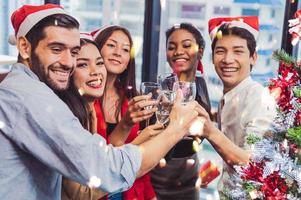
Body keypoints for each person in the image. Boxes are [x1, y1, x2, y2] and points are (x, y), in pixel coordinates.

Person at [0, 4, 202, 200]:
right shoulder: (31, 98)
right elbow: (105, 170)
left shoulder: (30, 90)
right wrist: (176, 128)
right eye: (56, 48)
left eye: (73, 52)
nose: (67, 62)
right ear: (24, 47)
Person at [59, 34, 162, 200]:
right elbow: (85, 189)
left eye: (126, 49)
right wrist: (140, 143)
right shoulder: (69, 116)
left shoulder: (123, 99)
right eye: (83, 64)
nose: (118, 53)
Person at [196, 16, 276, 196]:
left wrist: (210, 131)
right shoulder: (230, 96)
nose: (227, 59)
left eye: (238, 51)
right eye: (220, 51)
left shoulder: (258, 98)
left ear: (253, 57)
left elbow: (252, 163)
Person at [92, 26, 157, 200]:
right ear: (95, 50)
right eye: (111, 45)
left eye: (125, 49)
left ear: (129, 60)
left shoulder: (132, 99)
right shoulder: (84, 100)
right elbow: (100, 161)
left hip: (130, 193)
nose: (118, 53)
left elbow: (138, 159)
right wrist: (125, 124)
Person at [151, 23, 212, 200]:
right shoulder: (159, 88)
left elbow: (202, 133)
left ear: (200, 51)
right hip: (159, 178)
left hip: (189, 177)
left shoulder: (201, 85)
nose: (178, 51)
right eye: (171, 47)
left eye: (186, 45)